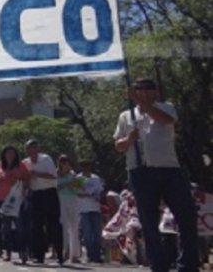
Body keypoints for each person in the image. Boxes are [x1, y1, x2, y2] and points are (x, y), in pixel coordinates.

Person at [114, 78, 199, 272]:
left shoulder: (165, 108)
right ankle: (158, 264)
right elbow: (118, 145)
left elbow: (166, 121)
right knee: (148, 221)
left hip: (169, 169)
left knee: (186, 216)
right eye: (139, 89)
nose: (143, 92)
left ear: (155, 92)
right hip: (140, 170)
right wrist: (129, 139)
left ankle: (188, 263)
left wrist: (142, 103)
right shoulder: (126, 116)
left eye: (147, 89)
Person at [23, 139, 64, 265]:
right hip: (35, 194)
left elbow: (53, 176)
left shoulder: (46, 159)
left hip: (49, 193)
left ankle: (59, 254)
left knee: (54, 224)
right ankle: (39, 255)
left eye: (34, 147)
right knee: (36, 226)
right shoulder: (25, 163)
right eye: (30, 148)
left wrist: (37, 174)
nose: (32, 150)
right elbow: (25, 180)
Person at [0, 145, 30, 263]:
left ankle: (23, 251)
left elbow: (27, 179)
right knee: (6, 228)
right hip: (3, 199)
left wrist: (19, 181)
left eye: (12, 153)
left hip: (17, 199)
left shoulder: (21, 166)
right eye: (8, 153)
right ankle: (8, 252)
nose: (10, 155)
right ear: (4, 155)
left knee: (20, 227)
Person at [77, 159, 104, 263]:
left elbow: (100, 191)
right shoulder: (79, 178)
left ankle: (97, 255)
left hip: (95, 208)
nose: (86, 168)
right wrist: (88, 194)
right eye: (84, 166)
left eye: (87, 166)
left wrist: (99, 197)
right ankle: (90, 254)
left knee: (97, 233)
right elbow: (77, 193)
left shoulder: (96, 178)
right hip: (84, 209)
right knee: (87, 234)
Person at [56, 155, 81, 263]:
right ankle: (64, 251)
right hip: (61, 199)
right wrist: (67, 183)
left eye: (67, 162)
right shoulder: (56, 173)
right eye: (63, 162)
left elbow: (78, 186)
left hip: (73, 199)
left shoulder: (73, 173)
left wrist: (72, 183)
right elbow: (57, 187)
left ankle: (74, 254)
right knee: (64, 226)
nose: (65, 164)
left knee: (74, 226)